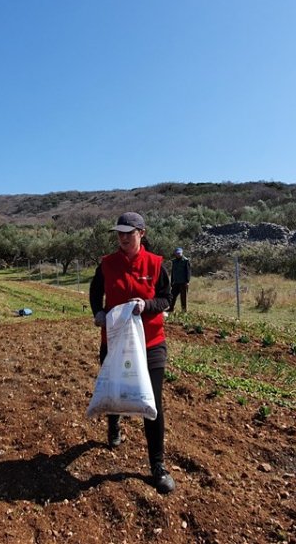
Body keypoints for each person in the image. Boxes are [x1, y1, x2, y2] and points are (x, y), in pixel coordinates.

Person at [88, 212, 176, 494]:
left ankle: (157, 466)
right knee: (116, 387)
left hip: (150, 343)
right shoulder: (107, 264)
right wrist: (98, 312)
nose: (123, 238)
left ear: (142, 233)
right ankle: (114, 425)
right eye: (119, 233)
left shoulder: (156, 264)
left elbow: (167, 299)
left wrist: (146, 305)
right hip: (115, 339)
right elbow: (94, 291)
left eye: (129, 233)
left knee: (153, 402)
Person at [169, 247, 191, 312]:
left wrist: (187, 281)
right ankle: (171, 308)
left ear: (182, 253)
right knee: (172, 296)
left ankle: (184, 310)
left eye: (179, 253)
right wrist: (172, 281)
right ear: (175, 254)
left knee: (183, 297)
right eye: (177, 253)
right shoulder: (174, 261)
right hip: (176, 282)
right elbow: (173, 272)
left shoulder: (186, 261)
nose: (178, 254)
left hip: (183, 282)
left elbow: (188, 272)